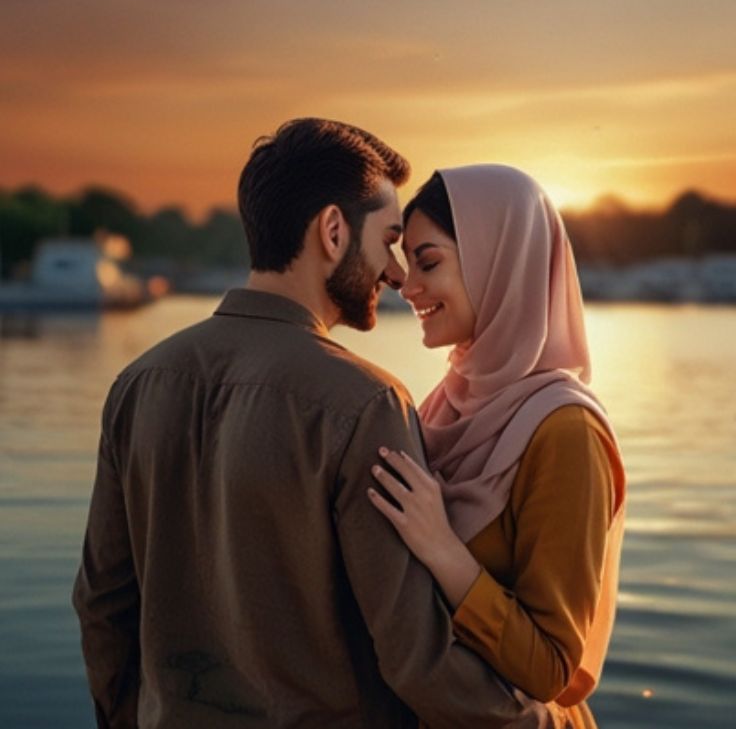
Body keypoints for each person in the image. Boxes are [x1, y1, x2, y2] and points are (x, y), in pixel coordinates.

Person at [72, 122, 559, 729]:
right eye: (387, 240)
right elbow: (415, 658)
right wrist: (546, 723)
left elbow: (101, 606)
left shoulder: (138, 384)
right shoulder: (366, 404)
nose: (395, 275)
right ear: (333, 231)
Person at [368, 165, 626, 729]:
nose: (407, 287)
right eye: (409, 264)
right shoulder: (442, 405)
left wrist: (444, 550)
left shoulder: (565, 433)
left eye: (429, 263)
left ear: (499, 265)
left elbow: (552, 668)